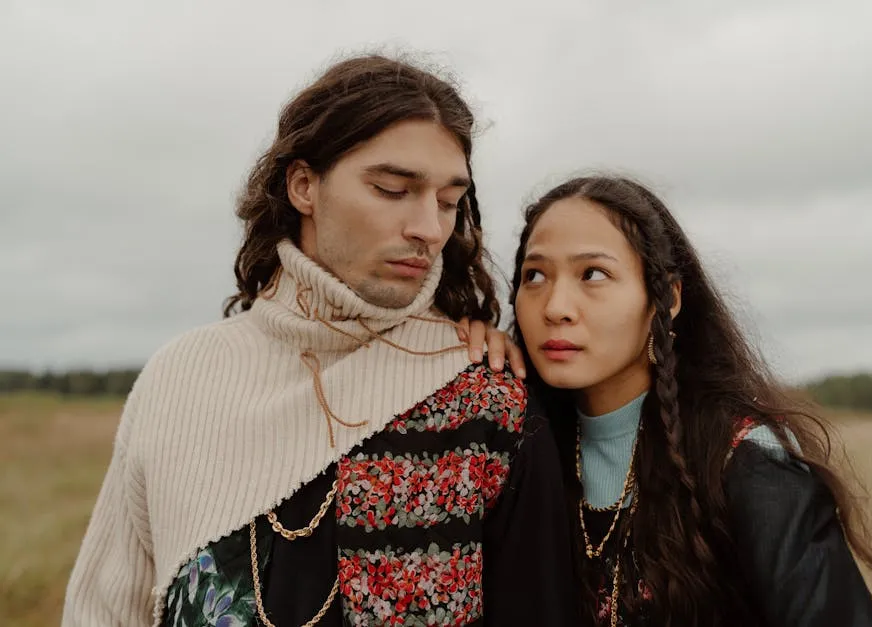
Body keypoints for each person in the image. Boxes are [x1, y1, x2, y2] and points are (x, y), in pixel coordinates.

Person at [63, 55, 573, 627]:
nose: (429, 228)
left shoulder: (483, 393)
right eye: (391, 189)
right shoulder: (179, 376)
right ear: (304, 185)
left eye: (450, 202)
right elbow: (104, 610)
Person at [510, 175, 872, 626]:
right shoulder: (518, 446)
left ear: (667, 299)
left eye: (593, 274)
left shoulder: (745, 460)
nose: (555, 306)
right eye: (534, 275)